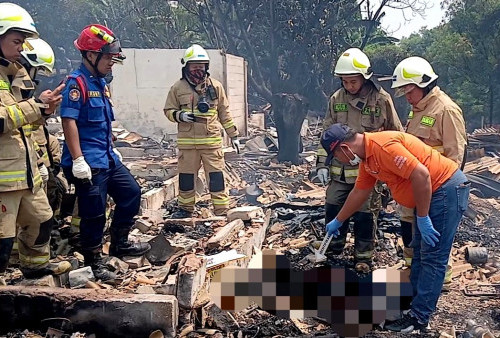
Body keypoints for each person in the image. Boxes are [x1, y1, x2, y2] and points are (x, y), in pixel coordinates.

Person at [321, 123, 470, 332]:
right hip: (432, 194)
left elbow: (422, 175)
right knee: (419, 253)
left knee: (433, 256)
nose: (339, 161)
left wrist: (423, 217)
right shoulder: (368, 160)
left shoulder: (383, 147)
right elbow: (359, 192)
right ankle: (412, 305)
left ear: (344, 148)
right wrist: (339, 219)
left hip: (444, 190)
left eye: (336, 156)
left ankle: (419, 319)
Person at [60, 24, 150, 281]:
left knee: (131, 193)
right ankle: (93, 261)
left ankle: (119, 243)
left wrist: (112, 147)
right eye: (109, 57)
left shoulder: (99, 82)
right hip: (87, 160)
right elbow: (69, 121)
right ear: (91, 55)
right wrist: (78, 159)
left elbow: (101, 122)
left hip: (105, 156)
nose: (112, 63)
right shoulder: (76, 83)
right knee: (94, 211)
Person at [314, 48, 403, 272]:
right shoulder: (337, 99)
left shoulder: (381, 100)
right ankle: (334, 245)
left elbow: (395, 132)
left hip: (370, 171)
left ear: (364, 77)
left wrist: (394, 171)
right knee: (333, 206)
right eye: (345, 81)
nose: (349, 86)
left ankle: (363, 256)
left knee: (365, 215)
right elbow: (326, 132)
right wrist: (321, 164)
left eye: (353, 81)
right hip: (340, 172)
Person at [0, 3, 69, 282]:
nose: (21, 48)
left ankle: (35, 266)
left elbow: (25, 123)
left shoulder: (16, 73)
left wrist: (44, 111)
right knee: (2, 240)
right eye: (17, 41)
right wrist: (35, 106)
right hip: (3, 178)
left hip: (26, 172)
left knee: (41, 220)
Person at [391, 56, 467, 284]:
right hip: (414, 183)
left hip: (437, 186)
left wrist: (441, 189)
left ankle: (439, 276)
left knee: (435, 232)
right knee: (408, 223)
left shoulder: (446, 110)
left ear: (423, 84)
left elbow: (456, 155)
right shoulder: (418, 108)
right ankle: (413, 268)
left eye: (409, 91)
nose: (407, 97)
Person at [164, 44, 239, 218]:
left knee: (216, 178)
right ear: (187, 66)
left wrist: (234, 136)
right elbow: (168, 110)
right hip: (188, 145)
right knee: (186, 179)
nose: (198, 69)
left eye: (202, 65)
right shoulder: (177, 88)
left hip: (211, 143)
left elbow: (224, 113)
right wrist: (180, 116)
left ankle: (221, 210)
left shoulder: (216, 87)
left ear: (207, 66)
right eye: (194, 65)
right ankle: (185, 210)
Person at [20, 38, 68, 217]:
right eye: (36, 71)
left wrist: (44, 112)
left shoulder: (20, 90)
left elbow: (27, 127)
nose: (34, 78)